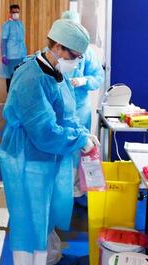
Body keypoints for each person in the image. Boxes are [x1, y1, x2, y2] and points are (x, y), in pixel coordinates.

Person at [0, 19, 99, 265]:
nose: (76, 62)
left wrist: (81, 133)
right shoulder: (31, 77)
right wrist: (76, 142)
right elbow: (43, 130)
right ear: (57, 46)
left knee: (47, 209)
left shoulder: (55, 71)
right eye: (74, 56)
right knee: (31, 217)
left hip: (46, 156)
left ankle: (51, 256)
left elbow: (66, 114)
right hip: (27, 158)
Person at [61, 10, 105, 207]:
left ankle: (79, 188)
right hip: (60, 109)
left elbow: (98, 77)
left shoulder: (86, 52)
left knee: (81, 148)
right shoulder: (58, 51)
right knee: (62, 148)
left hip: (80, 108)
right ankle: (64, 189)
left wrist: (83, 80)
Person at [0, 4, 27, 92]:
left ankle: (18, 96)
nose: (16, 14)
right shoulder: (7, 25)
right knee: (10, 78)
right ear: (10, 13)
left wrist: (24, 54)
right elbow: (3, 41)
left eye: (17, 12)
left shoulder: (20, 24)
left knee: (20, 77)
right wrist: (3, 55)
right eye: (14, 12)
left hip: (21, 55)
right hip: (11, 56)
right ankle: (10, 97)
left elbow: (22, 40)